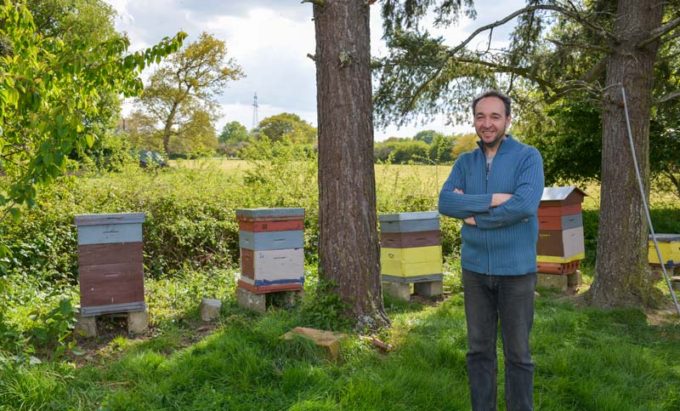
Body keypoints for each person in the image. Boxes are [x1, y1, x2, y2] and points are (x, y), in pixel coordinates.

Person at [438, 90, 544, 411]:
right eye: (481, 116)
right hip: (474, 272)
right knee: (479, 352)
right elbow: (446, 202)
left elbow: (524, 205)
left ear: (508, 120)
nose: (487, 123)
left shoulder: (528, 157)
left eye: (495, 116)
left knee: (518, 356)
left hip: (517, 273)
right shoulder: (465, 162)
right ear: (474, 120)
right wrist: (495, 199)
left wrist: (475, 219)